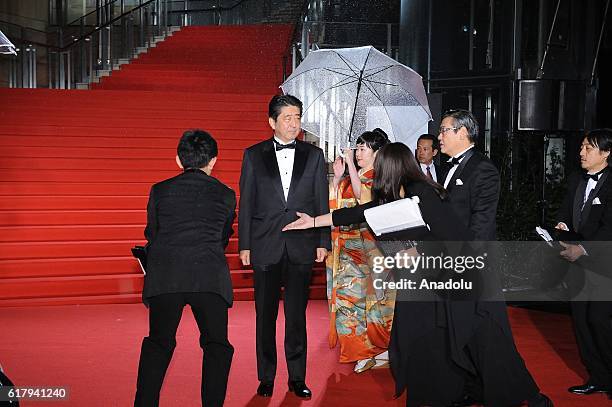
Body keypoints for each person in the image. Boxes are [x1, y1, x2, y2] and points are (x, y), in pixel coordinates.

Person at [437, 109, 551, 407]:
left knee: (489, 333)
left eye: (444, 130)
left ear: (463, 133)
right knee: (462, 330)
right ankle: (473, 389)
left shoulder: (483, 169)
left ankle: (530, 397)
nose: (440, 137)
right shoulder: (445, 167)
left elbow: (481, 224)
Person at [238, 94, 331, 399]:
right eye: (288, 118)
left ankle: (297, 377)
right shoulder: (253, 155)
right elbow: (247, 202)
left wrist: (323, 240)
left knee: (296, 315)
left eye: (298, 117)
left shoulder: (314, 156)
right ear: (272, 122)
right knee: (265, 316)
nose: (294, 124)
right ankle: (265, 377)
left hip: (302, 246)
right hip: (265, 244)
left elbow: (320, 200)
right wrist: (245, 245)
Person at [134, 130, 236, 407]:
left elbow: (151, 233)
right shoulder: (227, 195)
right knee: (217, 346)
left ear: (179, 160)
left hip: (167, 276)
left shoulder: (160, 190)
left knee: (158, 344)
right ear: (213, 160)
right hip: (209, 277)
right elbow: (223, 238)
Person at [328, 128, 394, 373]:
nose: (357, 153)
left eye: (363, 148)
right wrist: (337, 179)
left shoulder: (381, 178)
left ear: (377, 152)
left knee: (374, 304)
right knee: (349, 303)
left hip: (371, 250)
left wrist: (351, 170)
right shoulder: (350, 177)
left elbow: (363, 200)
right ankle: (360, 351)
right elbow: (335, 209)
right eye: (357, 148)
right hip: (348, 250)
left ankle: (380, 349)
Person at [555, 129, 612, 397]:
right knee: (580, 322)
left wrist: (584, 249)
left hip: (604, 266)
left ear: (606, 152)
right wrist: (561, 227)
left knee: (599, 320)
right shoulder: (576, 179)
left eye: (588, 148)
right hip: (577, 266)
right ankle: (597, 377)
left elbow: (609, 228)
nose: (581, 152)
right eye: (581, 147)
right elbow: (567, 211)